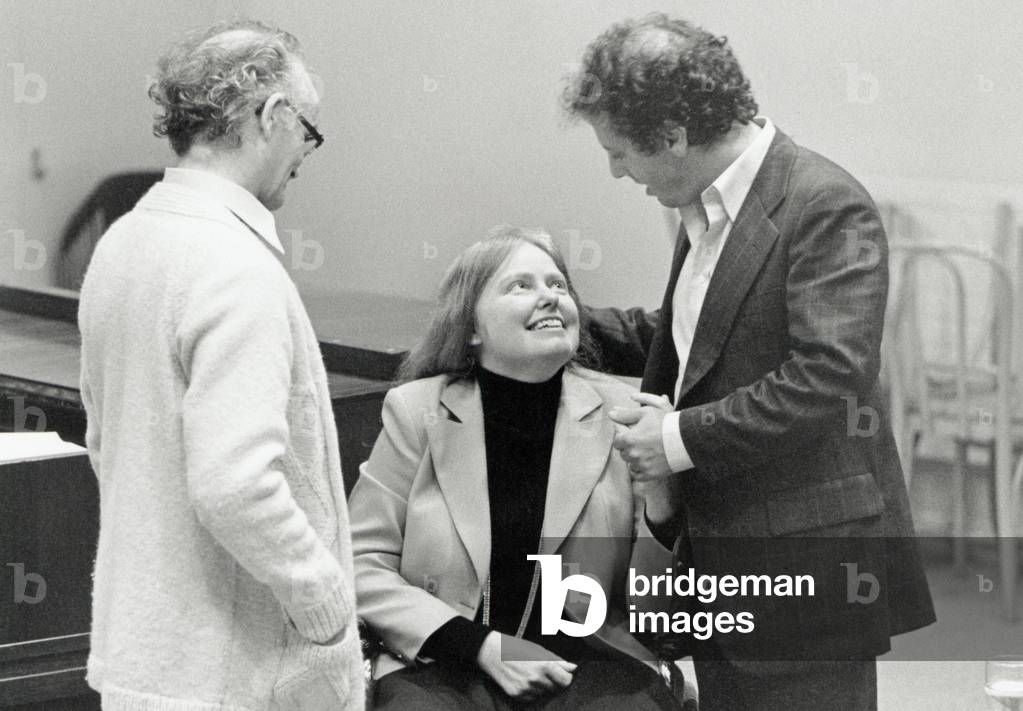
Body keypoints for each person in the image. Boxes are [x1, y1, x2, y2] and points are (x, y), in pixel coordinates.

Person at [562, 14, 935, 711]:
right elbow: (696, 341)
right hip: (722, 562)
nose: (616, 171)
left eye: (619, 152)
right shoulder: (704, 207)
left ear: (671, 135)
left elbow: (826, 376)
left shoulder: (824, 202)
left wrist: (671, 441)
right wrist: (560, 321)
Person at [78, 20, 363, 710]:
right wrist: (324, 603)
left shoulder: (123, 243)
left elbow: (103, 442)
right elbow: (235, 484)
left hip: (147, 655)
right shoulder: (234, 267)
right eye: (308, 133)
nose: (304, 153)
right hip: (228, 672)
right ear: (273, 116)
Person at [349, 227, 691, 710]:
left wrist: (662, 497)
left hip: (591, 664)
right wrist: (482, 646)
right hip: (447, 661)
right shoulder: (415, 411)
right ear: (470, 326)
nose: (551, 298)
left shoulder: (626, 415)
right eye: (521, 286)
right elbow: (361, 563)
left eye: (558, 285)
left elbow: (658, 617)